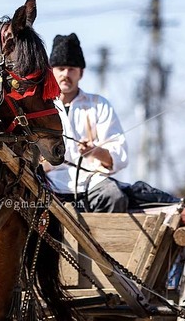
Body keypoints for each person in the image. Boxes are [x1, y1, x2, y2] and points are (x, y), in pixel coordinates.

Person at [44, 33, 176, 212]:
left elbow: (119, 154)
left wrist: (95, 151)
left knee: (114, 196)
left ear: (81, 73)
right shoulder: (42, 106)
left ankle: (96, 241)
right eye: (61, 68)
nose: (66, 74)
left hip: (91, 182)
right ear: (52, 71)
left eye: (72, 69)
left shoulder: (99, 105)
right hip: (48, 181)